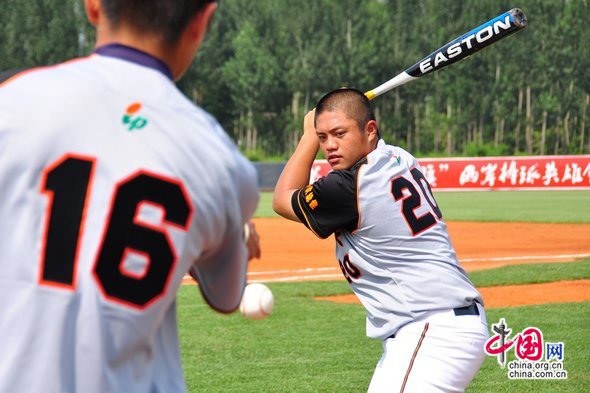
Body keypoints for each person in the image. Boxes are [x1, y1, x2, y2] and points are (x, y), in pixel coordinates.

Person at [0, 0, 261, 392]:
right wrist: (240, 238)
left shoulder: (12, 101)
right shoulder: (221, 159)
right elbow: (226, 296)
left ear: (92, 6)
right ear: (201, 23)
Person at [273, 88, 488, 392]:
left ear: (370, 130)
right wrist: (342, 114)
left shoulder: (348, 186)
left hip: (432, 330)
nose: (330, 146)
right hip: (435, 329)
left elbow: (282, 200)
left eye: (339, 133)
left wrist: (308, 134)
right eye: (323, 138)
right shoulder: (399, 157)